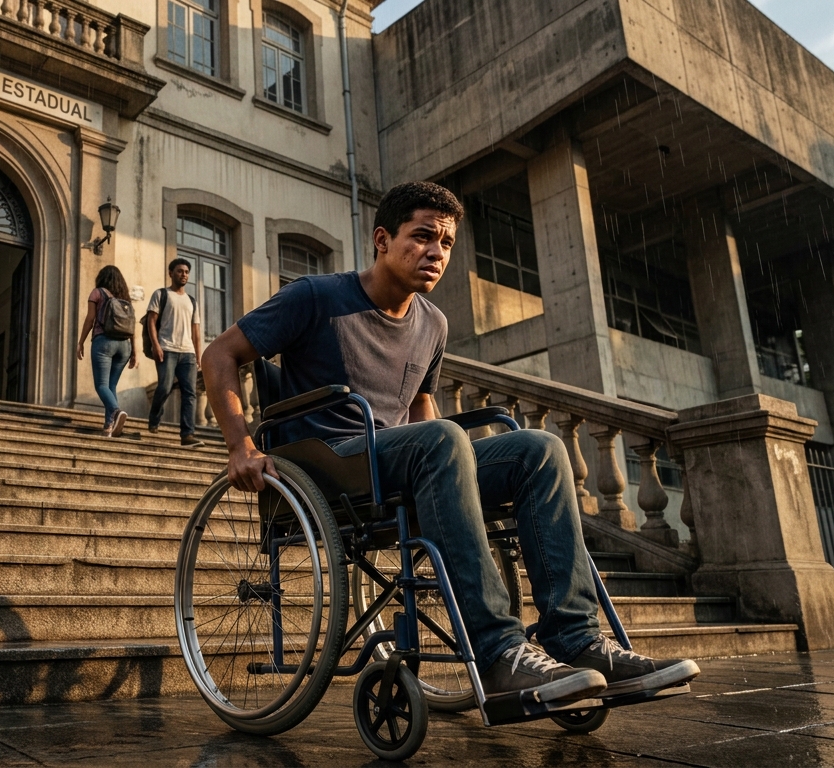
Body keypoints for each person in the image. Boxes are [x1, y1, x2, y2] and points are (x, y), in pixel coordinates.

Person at [201, 181, 700, 704]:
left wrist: (452, 460)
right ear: (382, 239)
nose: (436, 252)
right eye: (422, 237)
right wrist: (241, 446)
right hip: (329, 460)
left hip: (395, 458)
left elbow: (422, 404)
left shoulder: (433, 323)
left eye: (445, 243)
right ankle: (499, 651)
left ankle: (576, 639)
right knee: (441, 440)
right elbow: (219, 355)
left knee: (540, 449)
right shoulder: (315, 296)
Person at [146, 258, 203, 447]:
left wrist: (198, 355)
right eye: (180, 271)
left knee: (190, 393)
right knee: (164, 387)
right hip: (167, 349)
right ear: (171, 273)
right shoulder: (161, 294)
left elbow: (196, 331)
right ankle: (155, 417)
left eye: (186, 272)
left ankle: (187, 435)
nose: (184, 274)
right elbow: (151, 321)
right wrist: (156, 345)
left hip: (188, 353)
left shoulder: (192, 301)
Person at [78, 265, 138, 437]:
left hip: (104, 341)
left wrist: (81, 342)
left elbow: (90, 319)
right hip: (124, 346)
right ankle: (108, 427)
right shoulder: (125, 299)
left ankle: (116, 412)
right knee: (111, 386)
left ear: (102, 278)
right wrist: (134, 351)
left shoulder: (97, 293)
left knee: (101, 385)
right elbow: (132, 327)